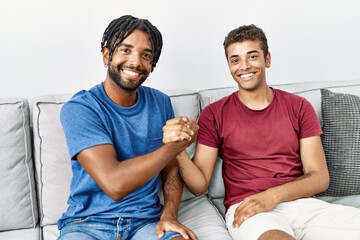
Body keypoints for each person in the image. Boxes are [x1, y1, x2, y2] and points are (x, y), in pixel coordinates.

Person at [162, 24, 360, 240]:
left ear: (267, 59)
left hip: (303, 206)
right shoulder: (214, 114)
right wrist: (178, 149)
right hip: (250, 210)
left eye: (252, 56)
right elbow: (199, 186)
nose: (244, 66)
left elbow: (320, 177)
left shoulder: (299, 106)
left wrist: (273, 196)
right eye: (235, 60)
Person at [57, 15, 198, 240]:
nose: (135, 62)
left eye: (146, 55)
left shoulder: (160, 103)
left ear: (152, 65)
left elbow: (170, 170)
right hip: (88, 224)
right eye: (125, 50)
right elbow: (115, 184)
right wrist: (176, 145)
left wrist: (169, 214)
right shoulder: (80, 108)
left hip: (146, 222)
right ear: (106, 54)